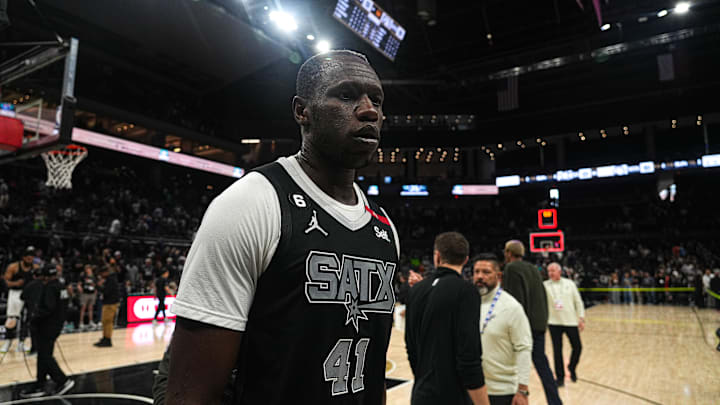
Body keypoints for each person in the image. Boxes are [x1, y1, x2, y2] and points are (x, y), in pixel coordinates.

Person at [166, 50, 399, 405]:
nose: (370, 111)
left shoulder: (385, 228)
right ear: (301, 111)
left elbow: (372, 375)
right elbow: (191, 394)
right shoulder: (251, 203)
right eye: (347, 95)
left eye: (377, 101)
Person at [405, 232, 489, 405]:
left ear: (437, 256)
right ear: (466, 260)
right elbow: (468, 356)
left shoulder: (415, 290)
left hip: (421, 394)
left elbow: (411, 346)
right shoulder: (466, 291)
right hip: (452, 395)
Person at [502, 240, 562, 405]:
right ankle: (555, 402)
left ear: (508, 253)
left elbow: (514, 301)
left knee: (512, 367)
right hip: (538, 324)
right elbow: (542, 296)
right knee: (542, 366)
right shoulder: (533, 269)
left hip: (523, 327)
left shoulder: (511, 269)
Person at [472, 254, 531, 405]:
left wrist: (522, 390)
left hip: (502, 392)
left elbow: (523, 348)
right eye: (476, 272)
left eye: (486, 272)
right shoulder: (468, 303)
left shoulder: (512, 307)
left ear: (498, 276)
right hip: (472, 389)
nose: (480, 276)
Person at [19, 265, 75, 398]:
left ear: (45, 276)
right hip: (57, 324)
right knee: (44, 354)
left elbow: (48, 308)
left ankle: (62, 380)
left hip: (47, 326)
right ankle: (40, 383)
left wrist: (34, 317)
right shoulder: (62, 287)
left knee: (45, 356)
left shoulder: (50, 287)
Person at [544, 263, 585, 386]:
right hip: (553, 322)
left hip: (570, 321)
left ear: (559, 271)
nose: (551, 273)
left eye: (553, 270)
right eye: (549, 271)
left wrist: (581, 318)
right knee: (557, 351)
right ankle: (560, 378)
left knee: (577, 347)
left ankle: (572, 367)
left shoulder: (570, 284)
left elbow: (578, 301)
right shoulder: (544, 285)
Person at [2, 246, 36, 353]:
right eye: (28, 258)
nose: (30, 260)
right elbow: (5, 281)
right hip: (15, 293)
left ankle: (21, 343)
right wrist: (15, 283)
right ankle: (7, 342)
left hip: (29, 294)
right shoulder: (14, 267)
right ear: (23, 258)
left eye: (32, 257)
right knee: (12, 318)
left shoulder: (35, 267)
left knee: (27, 319)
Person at [94, 262, 120, 347]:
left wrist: (98, 286)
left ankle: (108, 340)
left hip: (110, 303)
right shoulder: (111, 279)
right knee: (105, 321)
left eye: (102, 273)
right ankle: (105, 337)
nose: (101, 275)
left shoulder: (111, 280)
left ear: (106, 272)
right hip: (109, 302)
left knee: (108, 322)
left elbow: (106, 292)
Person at [78, 264, 98, 331]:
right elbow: (79, 284)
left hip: (92, 294)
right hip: (85, 293)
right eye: (86, 269)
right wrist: (80, 288)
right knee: (83, 308)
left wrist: (95, 291)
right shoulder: (83, 276)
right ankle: (81, 322)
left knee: (91, 308)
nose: (87, 270)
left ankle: (91, 322)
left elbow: (95, 284)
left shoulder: (93, 276)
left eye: (88, 268)